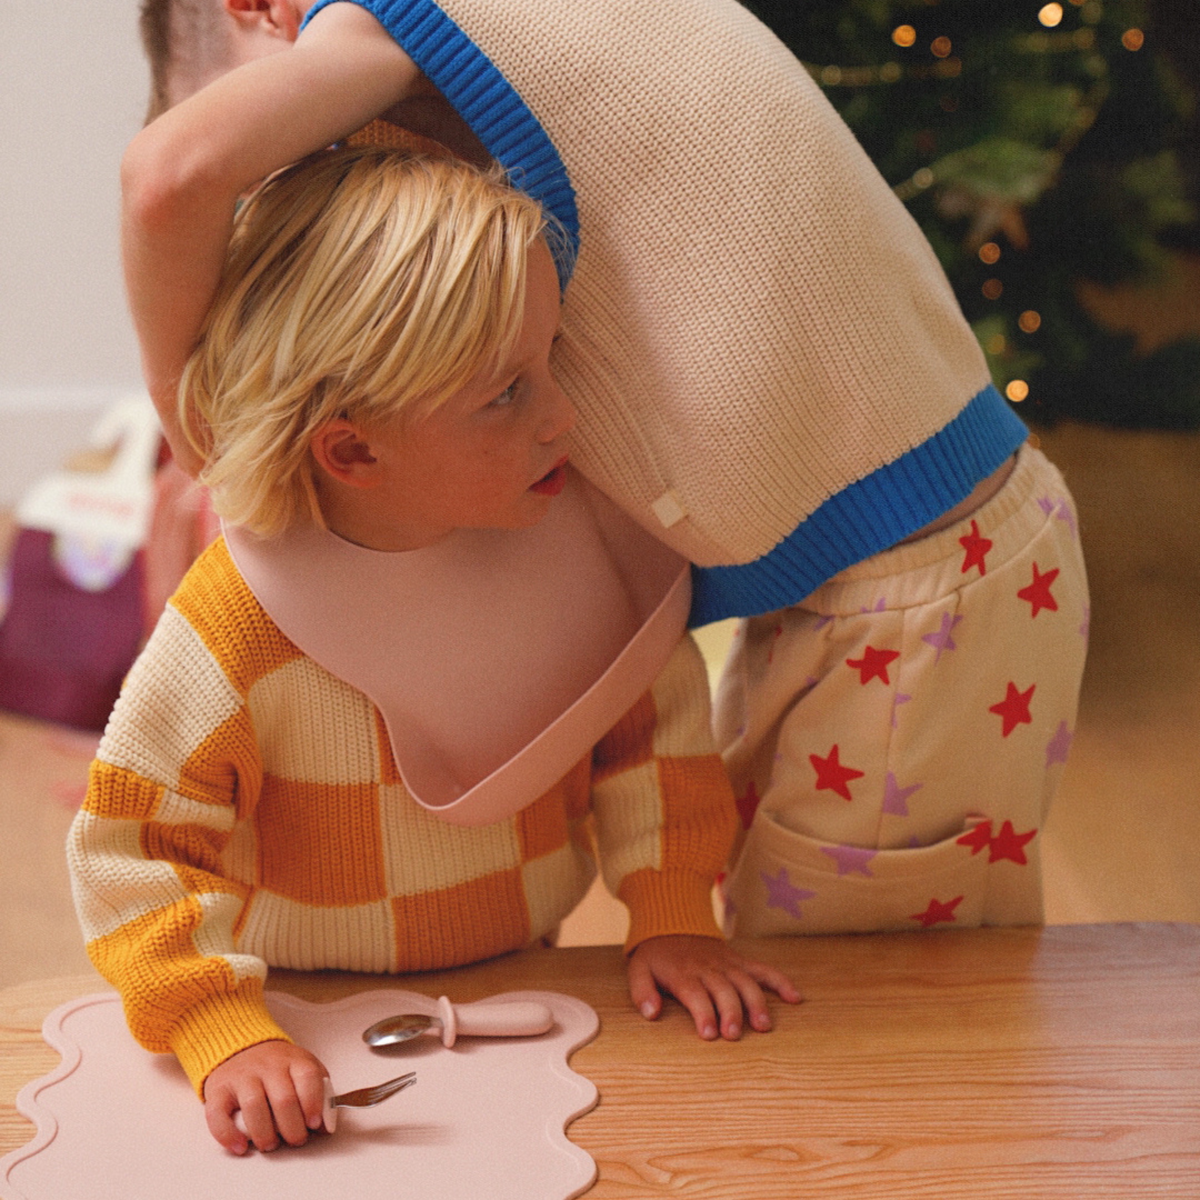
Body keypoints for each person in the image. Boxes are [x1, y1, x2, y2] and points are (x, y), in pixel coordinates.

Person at [124, 1, 1087, 938]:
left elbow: (169, 178)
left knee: (874, 1011)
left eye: (278, 171)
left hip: (925, 596)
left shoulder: (377, 22)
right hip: (906, 568)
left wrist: (198, 437)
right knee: (799, 929)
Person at [69, 145, 799, 1156]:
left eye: (552, 363)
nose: (563, 416)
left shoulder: (563, 549)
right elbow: (135, 847)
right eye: (506, 393)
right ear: (355, 450)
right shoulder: (233, 632)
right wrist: (215, 1024)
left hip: (525, 973)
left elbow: (652, 733)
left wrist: (672, 911)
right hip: (297, 1010)